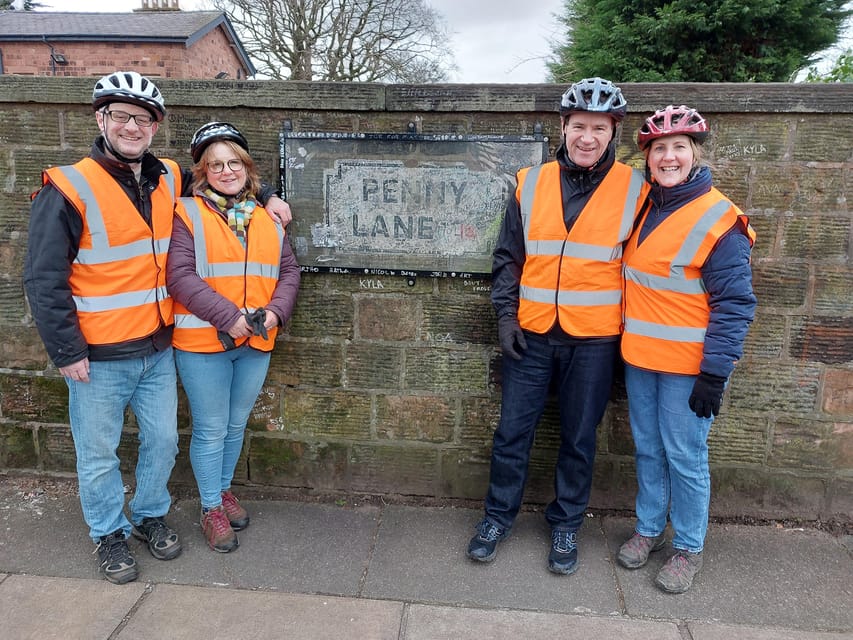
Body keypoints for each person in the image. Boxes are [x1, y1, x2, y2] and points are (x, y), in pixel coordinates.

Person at [23, 71, 292, 584]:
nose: (131, 126)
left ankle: (148, 515)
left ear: (154, 126)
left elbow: (226, 178)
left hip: (156, 347)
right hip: (97, 353)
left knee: (163, 442)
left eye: (142, 118)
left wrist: (274, 197)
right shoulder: (69, 185)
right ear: (101, 118)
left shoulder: (167, 175)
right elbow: (42, 277)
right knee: (99, 452)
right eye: (120, 115)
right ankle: (108, 533)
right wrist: (66, 350)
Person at [466, 77, 649, 575]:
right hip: (532, 332)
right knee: (511, 434)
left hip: (594, 339)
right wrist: (505, 316)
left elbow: (677, 217)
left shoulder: (638, 188)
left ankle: (566, 523)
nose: (587, 137)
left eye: (599, 128)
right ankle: (496, 518)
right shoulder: (531, 182)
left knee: (579, 438)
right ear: (563, 128)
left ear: (614, 132)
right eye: (578, 126)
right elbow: (508, 258)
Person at [616, 105, 756, 594]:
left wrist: (715, 374)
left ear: (694, 154)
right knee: (649, 451)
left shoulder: (722, 220)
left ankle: (689, 547)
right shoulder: (644, 207)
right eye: (659, 149)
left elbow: (735, 304)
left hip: (687, 370)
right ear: (648, 158)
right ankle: (650, 529)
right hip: (640, 362)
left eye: (679, 148)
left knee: (686, 457)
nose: (669, 157)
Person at [167, 122, 300, 553]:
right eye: (216, 165)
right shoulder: (186, 212)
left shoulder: (266, 217)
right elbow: (180, 276)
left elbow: (289, 272)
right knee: (209, 428)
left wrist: (277, 312)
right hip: (204, 344)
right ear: (203, 172)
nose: (227, 171)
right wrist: (229, 317)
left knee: (236, 424)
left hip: (256, 343)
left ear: (247, 168)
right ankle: (210, 508)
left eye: (234, 163)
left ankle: (223, 490)